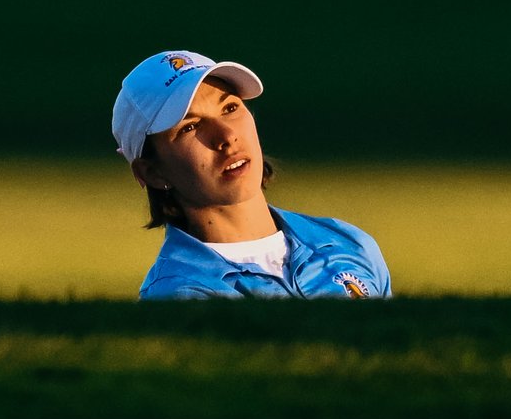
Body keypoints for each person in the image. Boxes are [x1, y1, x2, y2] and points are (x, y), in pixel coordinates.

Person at [110, 50, 393, 301]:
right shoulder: (179, 296)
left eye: (230, 108)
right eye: (190, 127)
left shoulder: (347, 242)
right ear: (153, 172)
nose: (227, 136)